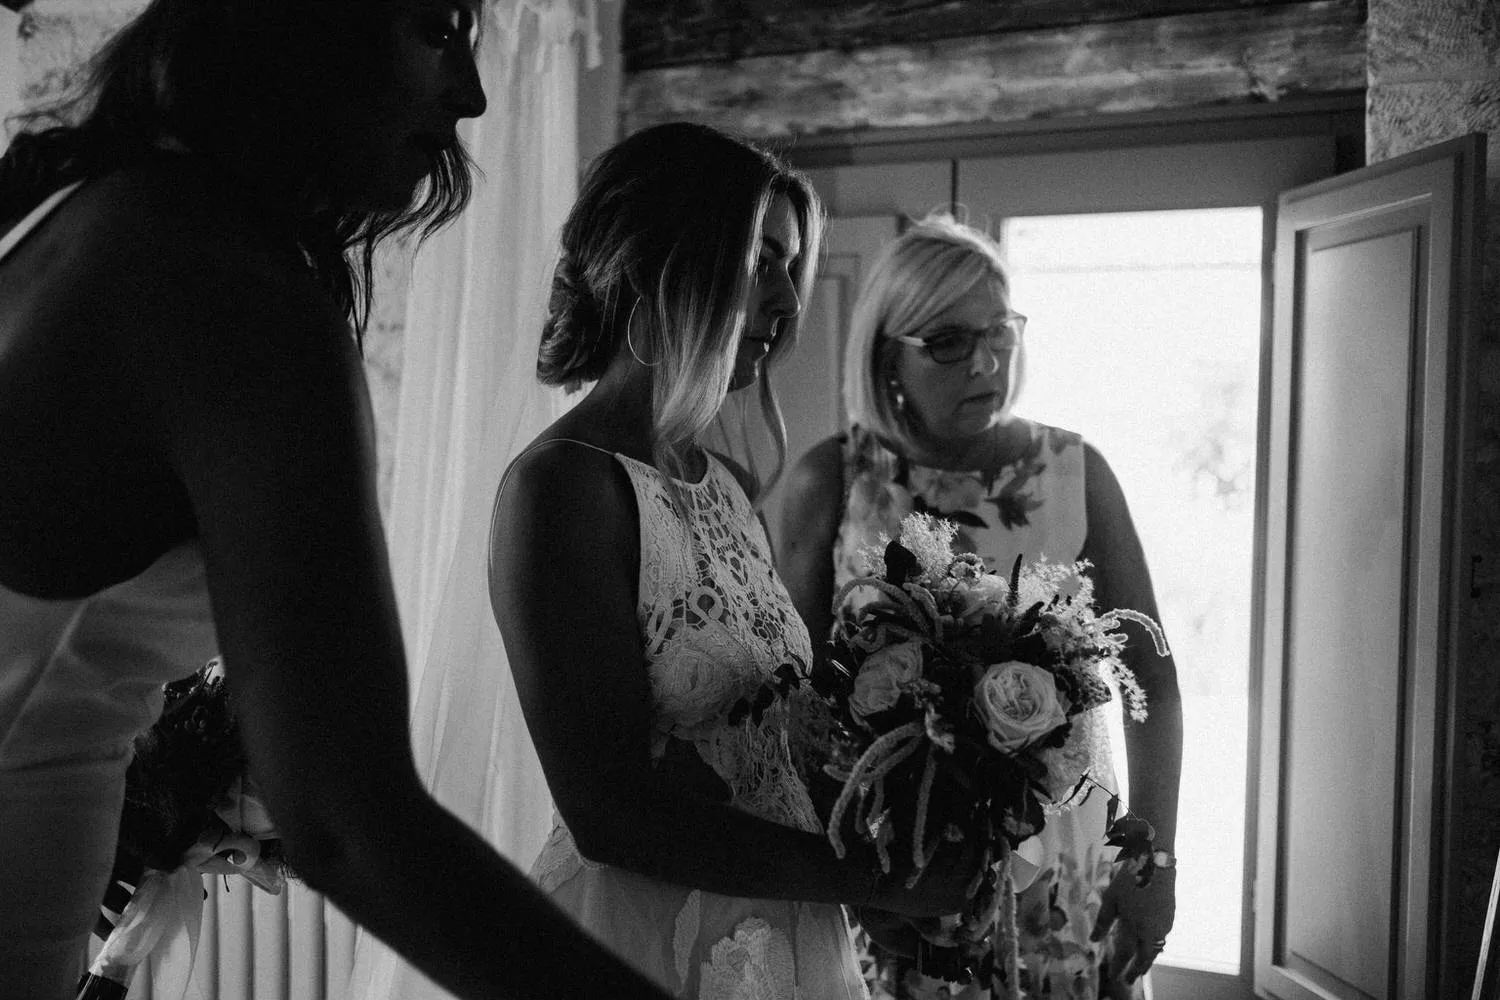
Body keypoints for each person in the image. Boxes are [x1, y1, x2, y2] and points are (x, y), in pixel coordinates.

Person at [0, 2, 669, 998]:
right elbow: (349, 821)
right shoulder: (223, 283)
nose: (473, 93)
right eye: (438, 25)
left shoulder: (73, 213)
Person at [489, 122, 986, 999]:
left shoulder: (720, 485)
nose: (786, 304)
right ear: (663, 255)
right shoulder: (562, 489)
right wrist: (869, 879)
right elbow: (609, 816)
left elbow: (766, 750)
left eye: (791, 269)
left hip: (783, 942)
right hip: (644, 949)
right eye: (761, 262)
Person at [777, 214, 1182, 999]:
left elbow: (1153, 683)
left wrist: (1154, 858)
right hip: (896, 880)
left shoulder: (1075, 473)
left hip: (1066, 872)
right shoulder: (829, 482)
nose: (988, 361)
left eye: (1000, 332)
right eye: (950, 342)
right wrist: (849, 877)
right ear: (888, 353)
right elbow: (797, 706)